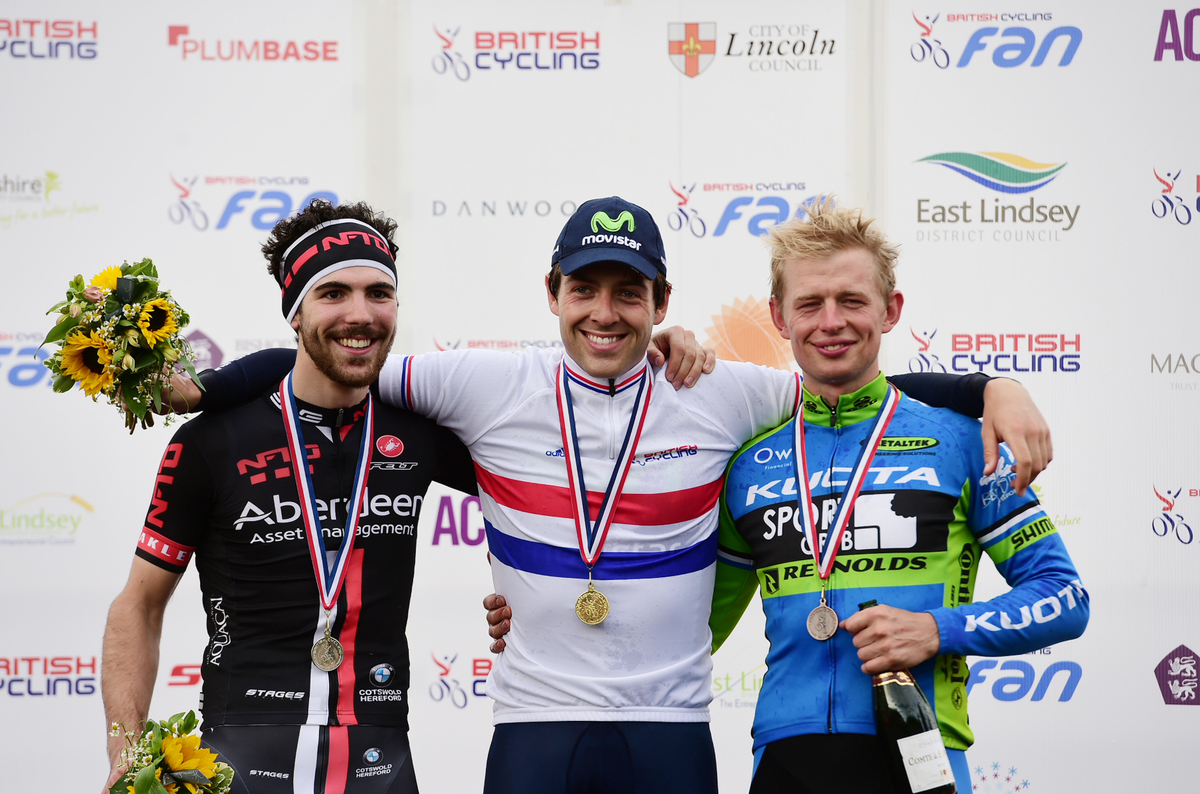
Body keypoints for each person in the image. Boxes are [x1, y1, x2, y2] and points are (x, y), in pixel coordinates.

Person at [197, 196, 1051, 794]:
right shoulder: (480, 380)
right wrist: (204, 393)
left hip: (671, 730)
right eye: (586, 289)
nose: (605, 313)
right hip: (533, 726)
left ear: (662, 302)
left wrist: (988, 387)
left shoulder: (727, 392)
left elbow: (853, 387)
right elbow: (338, 360)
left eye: (630, 293)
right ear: (552, 294)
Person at [708, 199, 1089, 792]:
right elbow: (692, 628)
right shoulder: (748, 465)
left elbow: (1065, 597)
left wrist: (936, 630)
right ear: (779, 319)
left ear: (891, 311)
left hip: (921, 749)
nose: (830, 321)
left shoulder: (963, 442)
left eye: (852, 301)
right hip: (785, 757)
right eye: (809, 304)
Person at [101, 201, 482, 793]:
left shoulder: (419, 430)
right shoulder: (213, 440)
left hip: (378, 752)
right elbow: (139, 606)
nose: (361, 313)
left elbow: (543, 491)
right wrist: (126, 752)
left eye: (379, 293)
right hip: (240, 749)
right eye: (334, 293)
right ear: (295, 312)